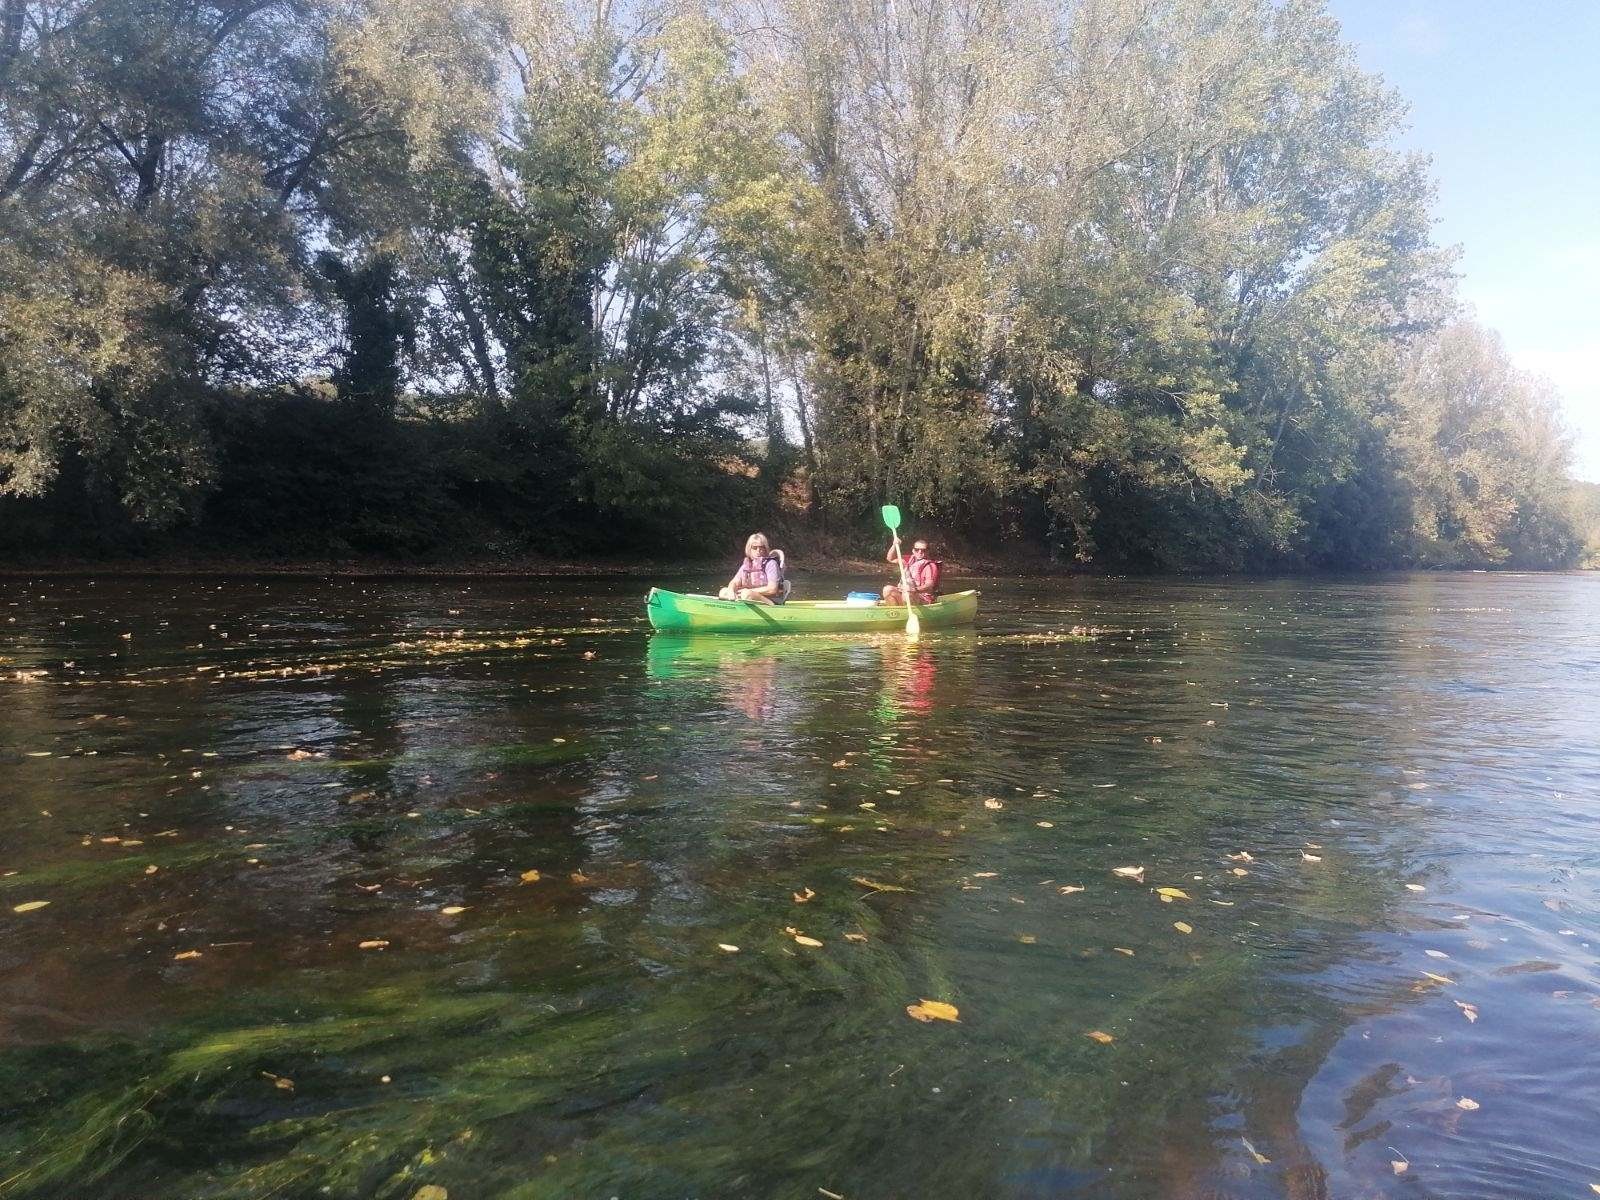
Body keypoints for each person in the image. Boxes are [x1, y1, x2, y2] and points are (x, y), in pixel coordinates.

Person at [719, 532, 787, 604]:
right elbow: (734, 582)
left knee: (747, 594)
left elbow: (772, 589)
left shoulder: (771, 564)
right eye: (755, 548)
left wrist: (750, 591)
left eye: (762, 547)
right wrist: (731, 590)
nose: (758, 551)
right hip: (748, 596)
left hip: (771, 602)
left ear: (765, 549)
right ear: (749, 549)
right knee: (723, 592)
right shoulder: (747, 565)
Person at [883, 536, 941, 605]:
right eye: (917, 549)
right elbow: (890, 558)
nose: (920, 552)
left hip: (923, 598)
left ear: (927, 551)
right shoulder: (907, 560)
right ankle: (895, 612)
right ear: (913, 550)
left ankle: (903, 611)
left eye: (923, 550)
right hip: (906, 594)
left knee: (907, 594)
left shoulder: (930, 566)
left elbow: (929, 585)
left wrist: (914, 590)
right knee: (887, 589)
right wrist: (894, 545)